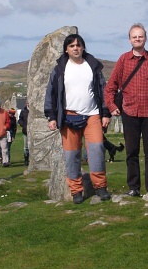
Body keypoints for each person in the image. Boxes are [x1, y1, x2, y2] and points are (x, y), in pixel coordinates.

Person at [104, 23, 148, 202]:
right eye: (134, 37)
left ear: (145, 38)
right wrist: (111, 106)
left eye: (140, 36)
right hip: (130, 112)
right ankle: (133, 188)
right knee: (131, 152)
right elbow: (110, 87)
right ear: (130, 39)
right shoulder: (123, 60)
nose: (138, 39)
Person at [44, 33, 111, 203]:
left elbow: (103, 90)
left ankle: (101, 187)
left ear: (83, 47)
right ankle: (76, 191)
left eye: (78, 45)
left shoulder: (93, 66)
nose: (76, 48)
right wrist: (51, 116)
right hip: (68, 116)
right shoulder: (60, 69)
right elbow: (51, 93)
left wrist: (106, 113)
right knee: (71, 155)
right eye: (72, 46)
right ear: (66, 49)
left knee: (96, 151)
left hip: (92, 114)